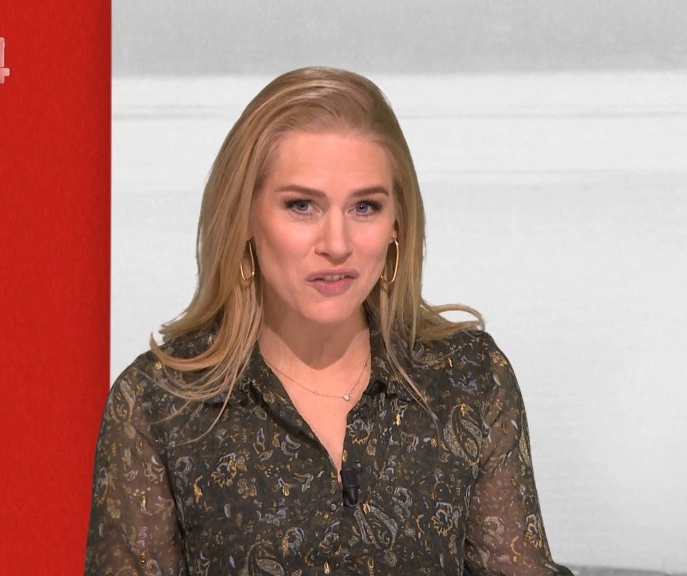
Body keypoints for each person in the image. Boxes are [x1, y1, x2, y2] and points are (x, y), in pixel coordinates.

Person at [86, 67, 572, 576]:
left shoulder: (469, 380)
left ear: (397, 223)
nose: (337, 244)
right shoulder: (159, 404)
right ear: (245, 216)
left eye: (365, 206)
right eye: (302, 206)